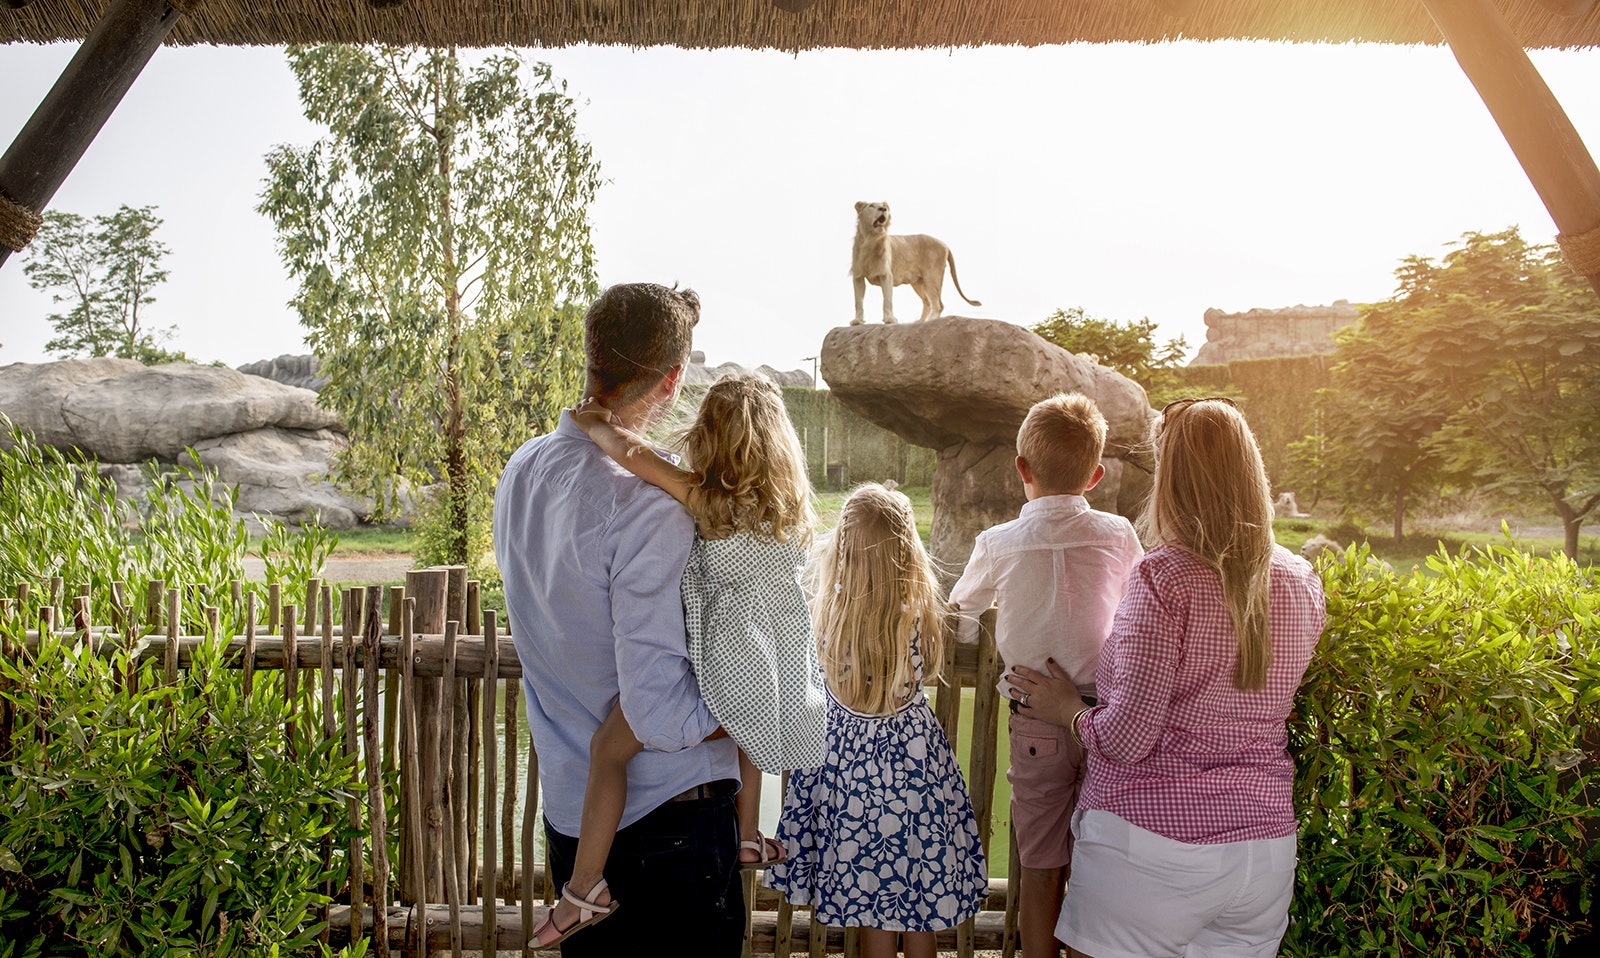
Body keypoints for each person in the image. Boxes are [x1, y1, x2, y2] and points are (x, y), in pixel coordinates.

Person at [1005, 398, 1327, 958]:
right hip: (1264, 850)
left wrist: (1068, 710)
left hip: (1152, 849)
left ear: (1173, 477)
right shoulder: (1300, 579)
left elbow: (1128, 739)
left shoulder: (1163, 578)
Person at [493, 283, 743, 957]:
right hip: (670, 825)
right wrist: (754, 712)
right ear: (673, 378)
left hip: (574, 817)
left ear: (592, 355)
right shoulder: (648, 511)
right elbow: (656, 708)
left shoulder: (521, 470)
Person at [538, 370, 829, 946]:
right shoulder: (789, 517)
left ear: (710, 437)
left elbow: (636, 455)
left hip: (720, 668)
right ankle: (747, 835)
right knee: (744, 732)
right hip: (770, 671)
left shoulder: (709, 503)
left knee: (608, 751)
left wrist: (596, 423)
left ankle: (585, 887)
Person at [948, 393, 1142, 958]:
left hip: (1035, 721)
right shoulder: (1117, 534)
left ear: (1022, 469)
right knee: (1095, 866)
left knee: (1038, 864)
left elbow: (961, 615)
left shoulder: (998, 542)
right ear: (1098, 474)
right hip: (1105, 721)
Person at [765, 483, 989, 958]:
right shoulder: (917, 616)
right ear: (907, 553)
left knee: (872, 904)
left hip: (848, 781)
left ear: (842, 551)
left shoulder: (825, 617)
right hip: (913, 775)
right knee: (920, 903)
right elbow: (932, 662)